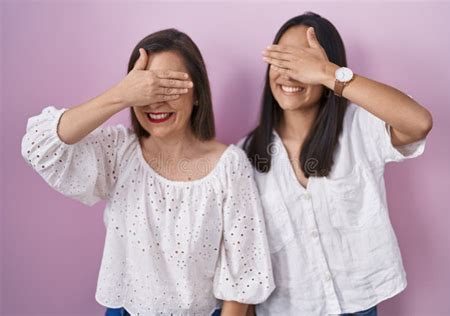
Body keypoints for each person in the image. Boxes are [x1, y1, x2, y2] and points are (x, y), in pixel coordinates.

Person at [21, 28, 274, 316]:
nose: (155, 101)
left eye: (168, 87)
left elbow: (241, 279)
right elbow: (38, 146)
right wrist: (119, 95)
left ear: (197, 94)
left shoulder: (230, 166)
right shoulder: (118, 152)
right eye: (146, 88)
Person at [241, 12, 432, 316]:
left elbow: (418, 123)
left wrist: (329, 74)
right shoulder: (244, 156)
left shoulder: (359, 127)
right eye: (282, 60)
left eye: (303, 62)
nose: (290, 73)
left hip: (359, 305)